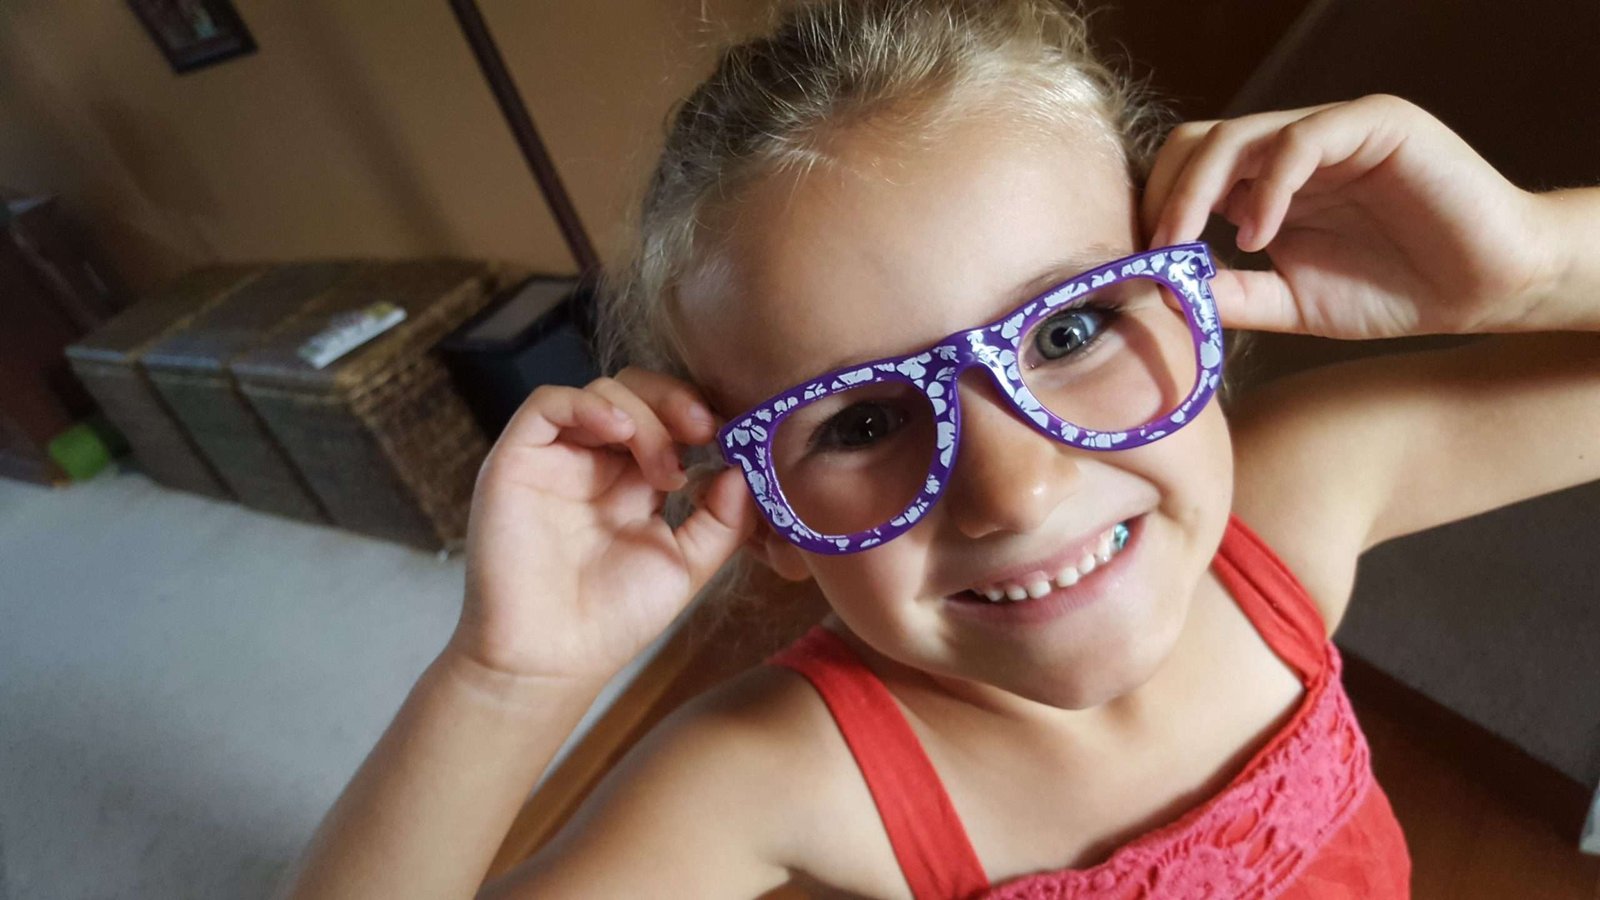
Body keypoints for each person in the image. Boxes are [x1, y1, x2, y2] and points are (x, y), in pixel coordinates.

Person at [282, 1, 1600, 896]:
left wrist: (1534, 264)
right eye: (860, 422)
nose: (1013, 487)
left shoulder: (1293, 505)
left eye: (1070, 327)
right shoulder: (782, 773)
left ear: (1188, 295)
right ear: (764, 513)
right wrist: (504, 682)